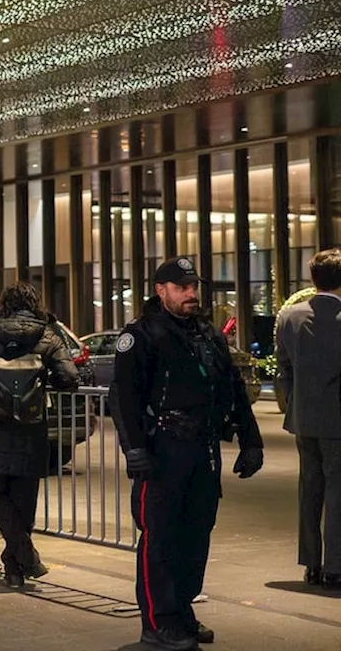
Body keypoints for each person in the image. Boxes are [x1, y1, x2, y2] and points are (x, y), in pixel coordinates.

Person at [111, 257, 264, 650]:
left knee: (196, 536)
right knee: (161, 538)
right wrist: (134, 449)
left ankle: (181, 613)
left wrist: (251, 440)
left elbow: (232, 390)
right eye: (182, 287)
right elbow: (123, 399)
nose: (191, 294)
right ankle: (158, 623)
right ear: (161, 290)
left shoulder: (208, 335)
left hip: (203, 449)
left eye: (194, 286)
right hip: (163, 450)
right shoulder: (142, 335)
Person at [0, 285, 79, 587]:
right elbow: (69, 377)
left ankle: (21, 561)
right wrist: (42, 384)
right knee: (23, 500)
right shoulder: (48, 335)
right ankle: (18, 564)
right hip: (31, 426)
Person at [276, 248, 341, 591]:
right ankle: (335, 567)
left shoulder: (289, 316)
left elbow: (283, 367)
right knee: (338, 491)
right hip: (337, 420)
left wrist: (292, 402)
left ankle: (311, 565)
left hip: (303, 417)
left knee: (310, 489)